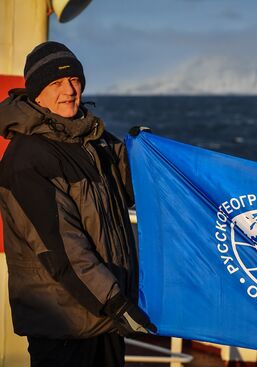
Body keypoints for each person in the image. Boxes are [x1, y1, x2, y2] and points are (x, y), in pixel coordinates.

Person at [0, 41, 156, 367]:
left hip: (103, 317)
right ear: (36, 93)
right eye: (56, 83)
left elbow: (130, 188)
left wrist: (146, 153)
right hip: (65, 323)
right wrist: (114, 301)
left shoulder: (90, 139)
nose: (69, 90)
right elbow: (61, 249)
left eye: (74, 80)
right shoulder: (28, 159)